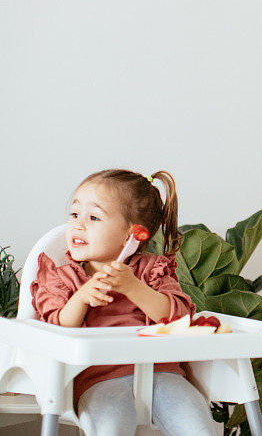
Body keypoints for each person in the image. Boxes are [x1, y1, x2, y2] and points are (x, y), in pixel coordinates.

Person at [31, 169, 217, 436]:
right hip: (99, 379)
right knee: (112, 428)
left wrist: (133, 287)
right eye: (75, 214)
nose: (77, 225)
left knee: (197, 426)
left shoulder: (152, 271)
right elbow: (56, 325)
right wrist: (81, 298)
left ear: (132, 234)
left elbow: (179, 319)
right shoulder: (65, 278)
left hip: (162, 373)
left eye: (93, 217)